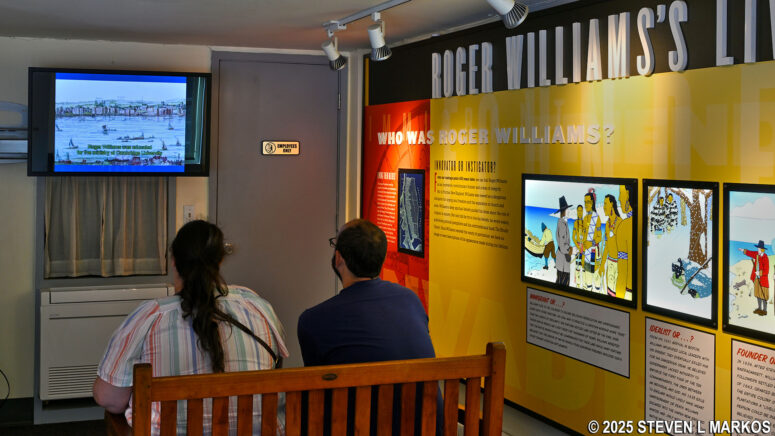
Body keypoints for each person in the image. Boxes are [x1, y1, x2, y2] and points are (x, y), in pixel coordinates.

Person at [93, 220, 288, 434]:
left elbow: (109, 400)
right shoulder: (258, 307)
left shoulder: (149, 317)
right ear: (220, 260)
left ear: (174, 260)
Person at [297, 218, 439, 435]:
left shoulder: (313, 320)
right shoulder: (410, 300)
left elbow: (317, 395)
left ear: (339, 258)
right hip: (426, 428)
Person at [599, 194, 621, 298]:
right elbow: (607, 246)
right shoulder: (608, 224)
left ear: (612, 204)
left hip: (618, 266)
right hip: (609, 264)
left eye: (605, 204)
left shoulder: (620, 223)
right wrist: (602, 265)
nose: (603, 207)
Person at [740, 240, 770, 316]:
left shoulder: (765, 258)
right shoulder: (757, 255)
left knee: (763, 296)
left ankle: (764, 310)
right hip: (757, 279)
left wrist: (759, 273)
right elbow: (750, 253)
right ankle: (759, 309)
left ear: (762, 249)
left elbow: (766, 270)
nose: (758, 250)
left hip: (763, 280)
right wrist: (744, 250)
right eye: (758, 249)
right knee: (757, 294)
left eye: (759, 249)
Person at [582, 191, 602, 293]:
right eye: (585, 202)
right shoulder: (585, 218)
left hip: (594, 251)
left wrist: (592, 243)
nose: (586, 205)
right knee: (587, 277)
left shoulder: (596, 217)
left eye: (588, 202)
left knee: (596, 277)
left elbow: (600, 237)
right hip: (586, 252)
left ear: (592, 203)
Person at [615, 184, 634, 299]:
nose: (619, 198)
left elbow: (622, 274)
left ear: (627, 194)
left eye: (620, 193)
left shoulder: (624, 226)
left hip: (629, 293)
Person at [554, 196, 572, 286]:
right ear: (564, 211)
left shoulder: (563, 222)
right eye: (568, 210)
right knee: (564, 282)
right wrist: (567, 253)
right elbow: (562, 242)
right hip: (563, 258)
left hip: (562, 258)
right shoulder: (562, 224)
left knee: (560, 280)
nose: (569, 211)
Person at [572, 205, 585, 288]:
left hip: (584, 248)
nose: (579, 212)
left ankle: (584, 285)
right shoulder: (575, 223)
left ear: (583, 211)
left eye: (581, 210)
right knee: (577, 267)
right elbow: (573, 237)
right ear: (577, 211)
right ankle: (578, 285)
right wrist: (577, 246)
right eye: (578, 211)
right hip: (578, 247)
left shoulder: (585, 222)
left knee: (584, 268)